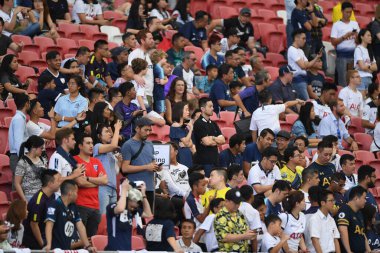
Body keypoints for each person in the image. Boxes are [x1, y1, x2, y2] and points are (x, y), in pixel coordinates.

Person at [44, 180, 96, 251]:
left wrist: (88, 246)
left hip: (67, 250)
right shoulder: (54, 204)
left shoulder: (73, 207)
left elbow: (80, 227)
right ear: (70, 193)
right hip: (55, 250)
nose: (77, 195)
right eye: (76, 192)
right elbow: (49, 225)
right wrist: (48, 244)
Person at [121, 117, 160, 208]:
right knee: (136, 218)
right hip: (135, 187)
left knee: (148, 217)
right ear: (137, 128)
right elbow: (125, 168)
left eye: (149, 130)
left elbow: (152, 162)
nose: (148, 133)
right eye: (145, 130)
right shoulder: (128, 145)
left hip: (149, 187)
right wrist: (146, 167)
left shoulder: (150, 144)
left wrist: (157, 167)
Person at [74, 134, 108, 237]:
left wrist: (88, 178)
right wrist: (97, 181)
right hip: (80, 205)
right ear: (80, 146)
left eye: (92, 143)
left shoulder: (96, 161)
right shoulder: (75, 160)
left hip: (95, 207)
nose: (91, 146)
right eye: (88, 143)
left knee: (91, 240)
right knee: (79, 240)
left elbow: (105, 180)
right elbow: (80, 182)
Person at [105, 178, 152, 251]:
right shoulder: (112, 206)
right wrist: (124, 191)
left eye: (135, 207)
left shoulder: (132, 211)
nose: (133, 209)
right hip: (114, 250)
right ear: (127, 200)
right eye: (132, 206)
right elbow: (120, 209)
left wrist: (143, 195)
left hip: (127, 250)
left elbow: (148, 214)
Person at [22, 170, 61, 249]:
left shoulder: (52, 195)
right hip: (33, 243)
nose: (61, 182)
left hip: (46, 237)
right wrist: (42, 244)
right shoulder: (38, 202)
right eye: (58, 180)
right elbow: (34, 224)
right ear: (50, 183)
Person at [93, 121, 122, 215]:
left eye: (110, 132)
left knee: (112, 218)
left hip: (113, 187)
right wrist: (117, 128)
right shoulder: (97, 147)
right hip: (103, 187)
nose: (109, 133)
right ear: (99, 136)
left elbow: (116, 172)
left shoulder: (111, 152)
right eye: (106, 131)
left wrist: (119, 162)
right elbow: (113, 146)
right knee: (104, 217)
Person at [193, 97, 225, 176]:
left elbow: (223, 140)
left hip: (215, 160)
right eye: (210, 106)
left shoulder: (214, 124)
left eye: (213, 106)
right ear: (203, 109)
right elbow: (207, 142)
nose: (212, 108)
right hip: (205, 162)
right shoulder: (198, 123)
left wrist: (212, 138)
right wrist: (216, 141)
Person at [288, 29, 322, 100]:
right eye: (303, 38)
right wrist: (306, 65)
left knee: (305, 103)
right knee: (307, 103)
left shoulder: (300, 51)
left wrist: (317, 57)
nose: (305, 40)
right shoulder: (292, 49)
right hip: (297, 80)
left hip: (304, 80)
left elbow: (308, 65)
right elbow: (303, 66)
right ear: (296, 38)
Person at [331, 1, 360, 87]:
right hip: (341, 56)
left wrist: (357, 36)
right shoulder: (336, 25)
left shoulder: (355, 24)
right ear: (342, 11)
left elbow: (359, 42)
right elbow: (333, 42)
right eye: (347, 12)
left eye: (350, 12)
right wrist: (344, 37)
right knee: (342, 81)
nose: (349, 14)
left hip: (353, 56)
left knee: (352, 81)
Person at [304, 189, 341, 253]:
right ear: (322, 203)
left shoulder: (331, 219)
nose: (333, 203)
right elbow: (315, 241)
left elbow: (336, 240)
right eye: (331, 201)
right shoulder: (314, 218)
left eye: (333, 200)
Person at [336, 186, 371, 253]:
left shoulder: (359, 213)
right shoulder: (344, 210)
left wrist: (368, 249)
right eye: (364, 198)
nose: (365, 201)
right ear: (356, 198)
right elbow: (343, 231)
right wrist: (349, 251)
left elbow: (362, 233)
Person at [14, 135, 46, 202]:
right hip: (31, 196)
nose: (42, 150)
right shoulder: (22, 162)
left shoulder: (42, 159)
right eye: (41, 148)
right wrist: (25, 200)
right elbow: (17, 183)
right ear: (33, 148)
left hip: (44, 194)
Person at [128, 30, 155, 107]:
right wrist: (135, 76)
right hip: (139, 94)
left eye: (152, 38)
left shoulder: (147, 55)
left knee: (150, 115)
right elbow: (128, 71)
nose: (152, 41)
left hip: (149, 93)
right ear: (142, 41)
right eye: (150, 39)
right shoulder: (136, 53)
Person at [8, 93, 30, 173]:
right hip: (18, 157)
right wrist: (24, 161)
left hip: (18, 157)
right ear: (27, 104)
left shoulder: (19, 118)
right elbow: (19, 143)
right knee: (19, 185)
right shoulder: (19, 119)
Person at [169, 101, 194, 168]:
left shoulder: (184, 127)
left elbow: (190, 144)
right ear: (180, 111)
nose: (188, 112)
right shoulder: (175, 125)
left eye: (188, 110)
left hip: (186, 154)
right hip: (180, 155)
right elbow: (186, 142)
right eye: (186, 109)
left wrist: (186, 143)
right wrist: (191, 129)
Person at [354, 29, 377, 95]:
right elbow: (362, 67)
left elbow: (375, 67)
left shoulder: (369, 50)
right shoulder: (358, 49)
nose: (370, 37)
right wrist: (370, 68)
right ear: (362, 37)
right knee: (361, 99)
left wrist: (368, 67)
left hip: (369, 78)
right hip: (361, 78)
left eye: (371, 36)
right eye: (368, 35)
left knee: (367, 100)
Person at [238, 185, 261, 252]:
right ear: (252, 196)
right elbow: (254, 235)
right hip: (246, 246)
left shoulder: (236, 208)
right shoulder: (254, 212)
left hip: (233, 244)